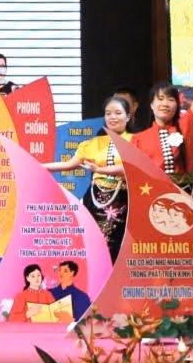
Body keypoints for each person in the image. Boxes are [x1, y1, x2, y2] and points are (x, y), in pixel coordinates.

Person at [43, 96, 133, 260]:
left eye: (118, 113)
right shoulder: (92, 144)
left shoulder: (137, 141)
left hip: (125, 199)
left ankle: (114, 275)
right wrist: (39, 166)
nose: (112, 117)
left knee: (118, 243)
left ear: (128, 116)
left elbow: (128, 168)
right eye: (108, 113)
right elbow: (69, 165)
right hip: (96, 200)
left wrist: (99, 169)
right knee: (98, 243)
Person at [128, 37, 193, 194]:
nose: (165, 104)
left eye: (171, 100)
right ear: (151, 105)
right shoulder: (138, 139)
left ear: (177, 105)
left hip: (184, 198)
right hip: (152, 198)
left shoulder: (187, 125)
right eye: (160, 99)